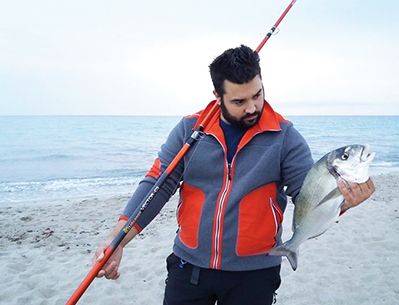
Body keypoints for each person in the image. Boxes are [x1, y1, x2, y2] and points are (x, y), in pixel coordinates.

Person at [94, 45, 375, 305]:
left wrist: (344, 200)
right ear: (218, 96)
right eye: (240, 101)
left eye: (258, 94)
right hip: (188, 267)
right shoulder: (189, 130)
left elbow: (307, 196)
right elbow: (158, 185)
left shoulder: (286, 137)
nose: (252, 107)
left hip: (254, 275)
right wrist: (118, 240)